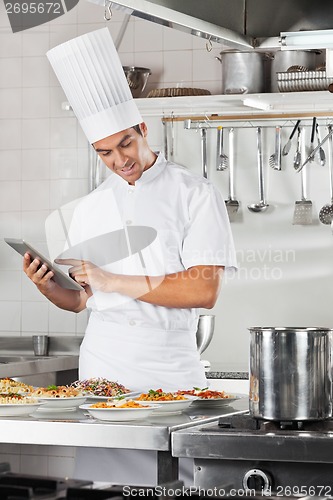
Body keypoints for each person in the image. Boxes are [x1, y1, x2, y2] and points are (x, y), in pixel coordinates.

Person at [23, 28, 237, 485]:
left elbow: (204, 290)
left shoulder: (195, 195)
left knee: (173, 486)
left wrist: (114, 280)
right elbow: (83, 301)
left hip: (168, 376)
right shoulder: (91, 207)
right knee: (108, 491)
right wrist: (50, 287)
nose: (119, 160)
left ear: (143, 129)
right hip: (103, 372)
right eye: (104, 152)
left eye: (125, 143)